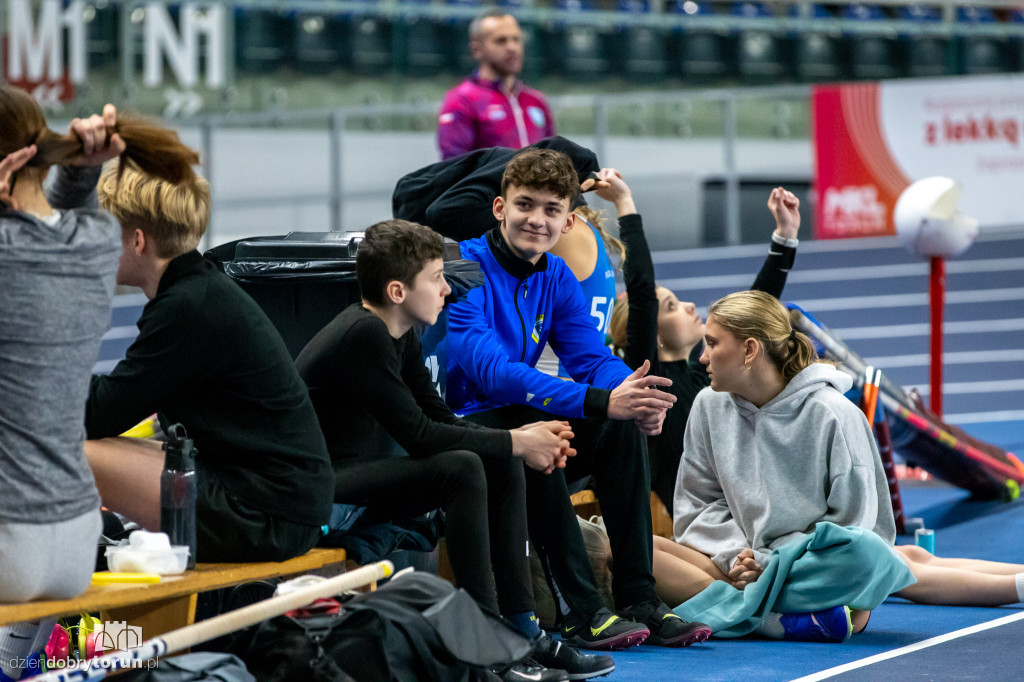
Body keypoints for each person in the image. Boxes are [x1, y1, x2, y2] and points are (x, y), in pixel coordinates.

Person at [295, 219, 614, 681]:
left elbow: (440, 418)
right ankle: (483, 647)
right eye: (436, 278)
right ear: (398, 291)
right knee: (465, 466)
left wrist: (515, 445)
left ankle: (522, 631)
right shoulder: (362, 334)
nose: (447, 289)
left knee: (493, 458)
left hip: (355, 474)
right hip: (320, 490)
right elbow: (421, 436)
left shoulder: (399, 333)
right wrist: (519, 440)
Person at [445, 147, 711, 650]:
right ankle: (581, 611)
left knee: (618, 425)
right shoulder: (465, 268)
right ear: (500, 208)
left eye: (551, 210)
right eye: (525, 205)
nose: (536, 220)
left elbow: (591, 359)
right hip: (466, 425)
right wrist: (596, 400)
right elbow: (494, 375)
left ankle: (638, 598)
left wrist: (632, 392)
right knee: (543, 434)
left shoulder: (556, 276)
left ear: (568, 221)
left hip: (518, 418)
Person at [654, 290, 1024, 641]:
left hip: (816, 562)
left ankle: (768, 620)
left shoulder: (834, 414)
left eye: (713, 343)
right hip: (743, 564)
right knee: (630, 546)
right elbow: (697, 508)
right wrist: (739, 556)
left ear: (750, 350)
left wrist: (770, 562)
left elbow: (860, 529)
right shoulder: (708, 405)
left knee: (875, 558)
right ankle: (795, 615)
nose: (702, 357)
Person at [83, 153, 334, 564]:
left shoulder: (188, 307)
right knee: (93, 444)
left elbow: (97, 413)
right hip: (278, 502)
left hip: (266, 514)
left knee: (64, 449)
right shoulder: (199, 290)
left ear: (137, 239)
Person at [607, 186, 801, 516]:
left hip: (742, 507)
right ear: (653, 337)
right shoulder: (646, 383)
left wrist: (785, 236)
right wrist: (624, 203)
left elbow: (755, 310)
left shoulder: (706, 376)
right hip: (695, 521)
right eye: (670, 307)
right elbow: (641, 290)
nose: (688, 306)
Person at [437, 9, 555, 160]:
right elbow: (454, 167)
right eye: (501, 40)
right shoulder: (462, 100)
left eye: (516, 39)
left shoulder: (536, 100)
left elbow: (553, 161)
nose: (512, 47)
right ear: (477, 49)